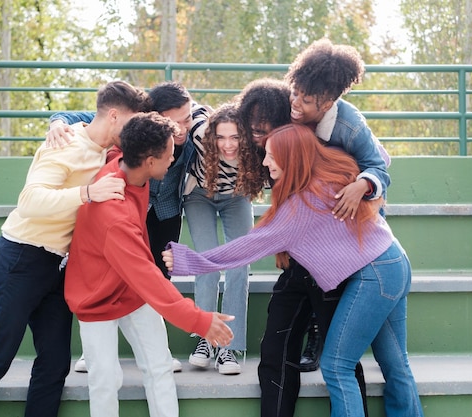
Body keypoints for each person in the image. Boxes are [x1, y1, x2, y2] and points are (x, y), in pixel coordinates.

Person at [163, 123, 424, 417]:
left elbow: (244, 248)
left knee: (337, 366)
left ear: (291, 157)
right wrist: (365, 180)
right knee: (396, 363)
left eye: (271, 156)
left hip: (373, 276)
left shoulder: (299, 209)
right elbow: (379, 154)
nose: (264, 162)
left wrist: (189, 261)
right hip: (395, 262)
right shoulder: (330, 171)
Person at [0, 80, 151, 417]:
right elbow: (29, 201)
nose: (135, 134)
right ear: (114, 116)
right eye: (131, 123)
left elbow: (95, 115)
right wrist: (87, 193)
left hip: (56, 265)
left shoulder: (106, 146)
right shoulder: (66, 144)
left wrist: (58, 117)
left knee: (56, 364)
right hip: (20, 257)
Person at [64, 111, 234, 417]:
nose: (173, 159)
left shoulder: (126, 161)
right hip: (96, 297)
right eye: (169, 154)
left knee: (159, 369)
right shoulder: (114, 217)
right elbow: (150, 279)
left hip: (131, 292)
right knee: (105, 381)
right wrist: (200, 321)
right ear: (150, 161)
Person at [47, 81, 210, 373]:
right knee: (114, 268)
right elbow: (85, 117)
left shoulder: (194, 124)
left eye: (188, 117)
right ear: (155, 118)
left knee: (159, 272)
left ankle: (158, 349)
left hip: (167, 210)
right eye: (177, 122)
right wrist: (57, 121)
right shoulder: (138, 121)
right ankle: (93, 348)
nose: (185, 127)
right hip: (132, 201)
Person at [236, 76, 372, 416]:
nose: (259, 137)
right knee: (275, 352)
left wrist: (367, 187)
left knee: (342, 361)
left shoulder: (317, 138)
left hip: (335, 264)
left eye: (266, 129)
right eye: (254, 130)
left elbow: (375, 162)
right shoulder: (268, 153)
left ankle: (317, 331)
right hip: (298, 264)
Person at [184, 102, 266, 375]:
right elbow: (191, 108)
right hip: (199, 196)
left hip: (236, 198)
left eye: (234, 137)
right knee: (207, 260)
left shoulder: (256, 149)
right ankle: (205, 340)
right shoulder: (199, 134)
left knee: (238, 266)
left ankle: (228, 348)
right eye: (220, 137)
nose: (227, 145)